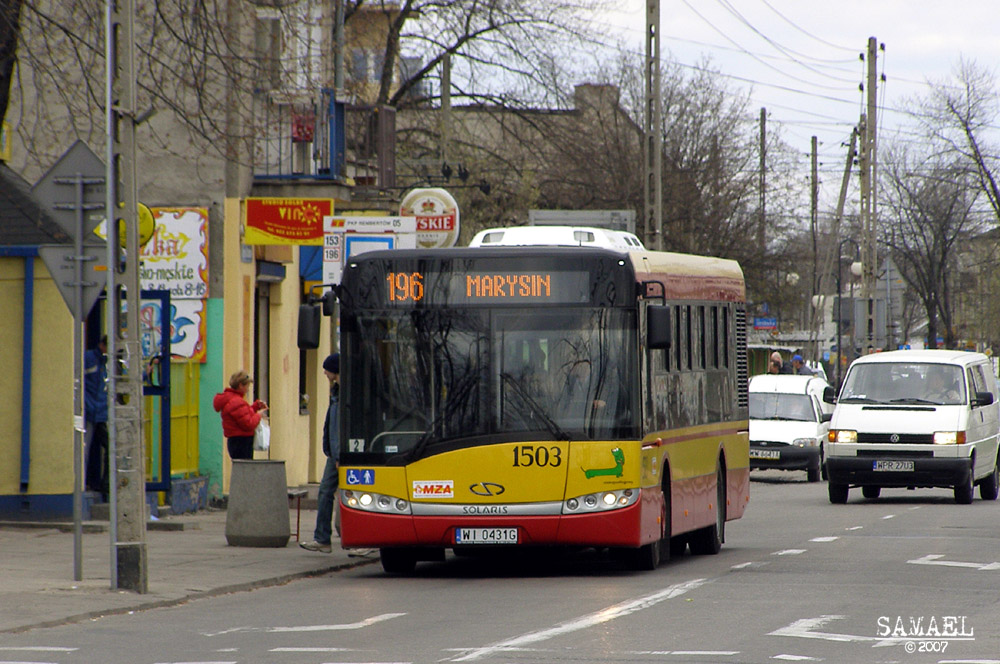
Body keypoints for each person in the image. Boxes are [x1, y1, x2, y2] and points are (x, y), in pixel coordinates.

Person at [301, 354, 341, 554]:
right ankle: (323, 539)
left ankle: (355, 540)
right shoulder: (336, 392)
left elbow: (341, 428)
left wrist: (339, 455)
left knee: (345, 495)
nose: (325, 373)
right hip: (334, 454)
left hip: (340, 455)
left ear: (335, 370)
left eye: (327, 369)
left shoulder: (345, 394)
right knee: (326, 493)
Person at [213, 370, 267, 460]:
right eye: (247, 386)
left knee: (240, 469)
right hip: (242, 442)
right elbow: (248, 424)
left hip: (235, 441)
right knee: (244, 470)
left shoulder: (231, 399)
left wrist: (255, 407)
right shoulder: (237, 402)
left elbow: (242, 414)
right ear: (240, 385)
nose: (248, 389)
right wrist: (259, 415)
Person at [83, 335, 109, 495]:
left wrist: (145, 375)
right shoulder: (89, 358)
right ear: (101, 345)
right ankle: (82, 483)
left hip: (100, 414)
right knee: (84, 449)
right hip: (89, 411)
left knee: (110, 448)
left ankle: (104, 486)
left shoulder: (107, 363)